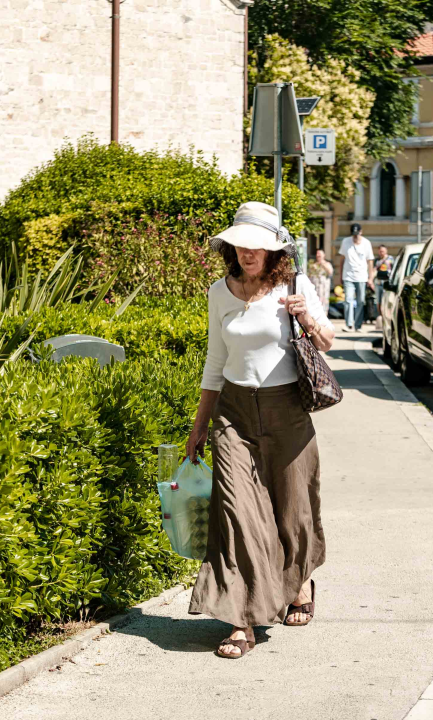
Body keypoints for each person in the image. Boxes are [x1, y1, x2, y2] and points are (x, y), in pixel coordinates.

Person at [185, 201, 336, 660]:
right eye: (241, 245)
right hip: (233, 413)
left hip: (287, 408)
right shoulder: (219, 292)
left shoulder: (294, 285)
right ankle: (241, 619)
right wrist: (198, 427)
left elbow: (328, 339)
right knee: (237, 513)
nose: (248, 253)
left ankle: (300, 582)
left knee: (293, 508)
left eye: (258, 246)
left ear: (274, 252)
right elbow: (215, 362)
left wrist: (306, 317)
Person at [338, 223, 374, 332]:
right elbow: (342, 260)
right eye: (353, 234)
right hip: (348, 276)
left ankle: (358, 326)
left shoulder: (366, 243)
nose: (355, 237)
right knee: (348, 299)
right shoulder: (345, 242)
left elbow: (370, 261)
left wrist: (370, 277)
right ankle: (349, 325)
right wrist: (340, 275)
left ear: (361, 232)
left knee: (360, 301)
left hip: (362, 277)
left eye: (357, 234)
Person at [308, 248, 334, 316]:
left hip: (324, 289)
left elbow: (330, 272)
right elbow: (309, 277)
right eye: (317, 253)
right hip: (315, 289)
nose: (318, 255)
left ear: (324, 255)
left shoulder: (327, 264)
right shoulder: (313, 265)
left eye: (319, 253)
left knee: (324, 304)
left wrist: (322, 264)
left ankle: (324, 318)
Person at [372, 245, 393, 327]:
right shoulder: (377, 260)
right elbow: (374, 270)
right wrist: (371, 280)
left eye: (383, 251)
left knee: (386, 300)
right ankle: (380, 317)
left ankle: (386, 317)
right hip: (378, 283)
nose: (381, 253)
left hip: (387, 283)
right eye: (380, 251)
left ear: (386, 251)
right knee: (378, 301)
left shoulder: (390, 259)